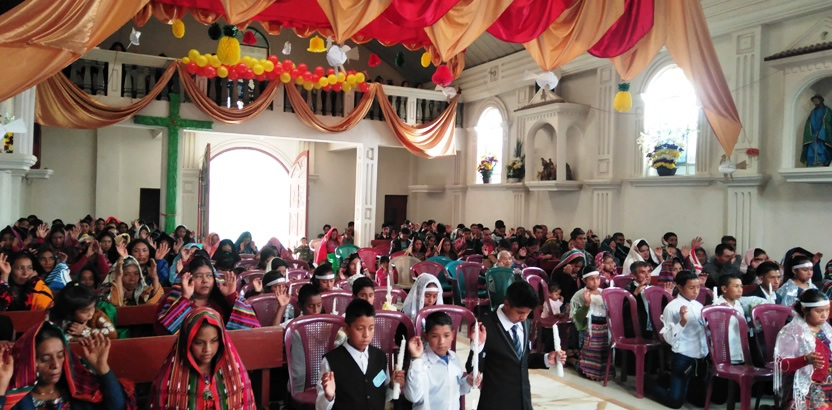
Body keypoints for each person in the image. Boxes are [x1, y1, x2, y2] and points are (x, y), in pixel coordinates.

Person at [468, 281, 565, 410]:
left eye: (527, 313)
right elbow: (472, 367)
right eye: (520, 312)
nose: (523, 317)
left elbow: (522, 359)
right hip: (496, 402)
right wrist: (478, 347)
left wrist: (546, 358)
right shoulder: (485, 326)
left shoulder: (525, 324)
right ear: (507, 304)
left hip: (523, 401)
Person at [0, 322, 130, 409]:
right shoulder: (15, 400)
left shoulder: (77, 391)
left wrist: (102, 368)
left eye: (60, 355)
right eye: (45, 359)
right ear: (29, 361)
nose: (56, 365)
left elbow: (117, 406)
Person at [150, 307, 255, 409]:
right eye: (199, 342)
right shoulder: (169, 382)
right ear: (187, 342)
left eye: (214, 340)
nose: (207, 349)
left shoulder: (235, 376)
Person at [316, 299, 405, 410]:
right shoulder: (331, 361)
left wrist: (392, 385)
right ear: (346, 329)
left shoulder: (380, 357)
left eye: (371, 328)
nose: (366, 335)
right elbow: (319, 407)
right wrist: (329, 396)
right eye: (360, 329)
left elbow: (382, 396)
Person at [648, 271, 709, 408]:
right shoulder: (672, 307)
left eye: (698, 287)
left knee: (701, 401)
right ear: (680, 287)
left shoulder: (698, 306)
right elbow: (668, 338)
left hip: (700, 357)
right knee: (675, 402)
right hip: (683, 356)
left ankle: (669, 380)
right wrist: (682, 322)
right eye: (691, 288)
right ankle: (648, 383)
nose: (696, 292)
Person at [156, 254, 259, 334]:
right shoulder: (176, 299)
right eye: (198, 276)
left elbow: (250, 329)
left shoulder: (221, 302)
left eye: (209, 276)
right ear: (188, 279)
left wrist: (231, 297)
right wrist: (185, 298)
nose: (205, 281)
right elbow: (162, 332)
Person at [404, 311, 481, 410]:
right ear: (426, 336)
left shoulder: (454, 358)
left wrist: (467, 382)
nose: (441, 342)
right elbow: (413, 397)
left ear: (453, 335)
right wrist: (416, 358)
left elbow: (455, 390)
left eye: (446, 335)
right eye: (435, 336)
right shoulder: (421, 363)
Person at [774, 289, 832, 409]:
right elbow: (781, 364)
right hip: (802, 386)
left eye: (827, 310)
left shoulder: (826, 330)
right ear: (805, 309)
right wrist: (805, 360)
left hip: (826, 382)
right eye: (819, 311)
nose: (824, 315)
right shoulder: (792, 332)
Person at [712, 274, 769, 364]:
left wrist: (752, 323)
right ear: (724, 289)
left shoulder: (739, 304)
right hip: (725, 352)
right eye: (736, 286)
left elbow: (741, 327)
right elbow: (713, 329)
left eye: (741, 286)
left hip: (739, 350)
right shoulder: (716, 306)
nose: (740, 290)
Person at [569, 270, 609, 380]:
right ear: (584, 280)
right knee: (586, 366)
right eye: (592, 279)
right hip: (588, 330)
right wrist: (586, 304)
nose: (595, 282)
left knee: (603, 360)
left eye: (597, 278)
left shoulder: (604, 293)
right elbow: (577, 318)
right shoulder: (580, 295)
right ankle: (572, 361)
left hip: (603, 330)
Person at [50, 282, 117, 341]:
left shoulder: (97, 315)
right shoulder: (62, 321)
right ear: (70, 312)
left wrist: (84, 331)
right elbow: (56, 337)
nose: (91, 313)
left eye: (93, 307)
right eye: (85, 311)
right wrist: (75, 339)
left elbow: (112, 333)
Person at [801, 94, 832, 167]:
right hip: (813, 135)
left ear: (821, 100)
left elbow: (828, 123)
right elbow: (809, 123)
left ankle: (822, 161)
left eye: (816, 100)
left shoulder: (827, 111)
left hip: (823, 136)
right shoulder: (813, 112)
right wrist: (811, 133)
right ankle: (812, 162)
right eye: (814, 101)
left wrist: (821, 133)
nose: (815, 102)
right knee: (812, 148)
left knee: (822, 148)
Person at [624, 261, 653, 338]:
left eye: (649, 272)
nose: (647, 276)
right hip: (637, 331)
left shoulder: (653, 289)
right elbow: (624, 311)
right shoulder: (628, 290)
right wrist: (635, 294)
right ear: (633, 275)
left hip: (654, 329)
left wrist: (668, 295)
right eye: (643, 272)